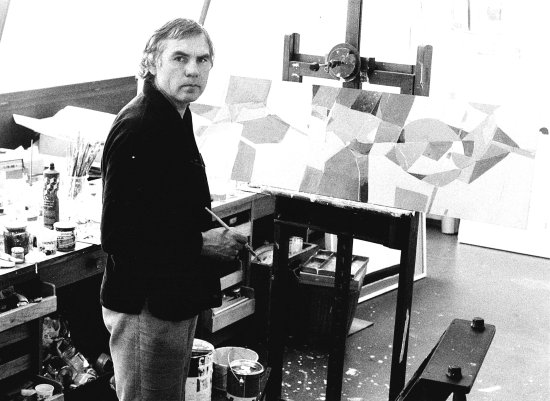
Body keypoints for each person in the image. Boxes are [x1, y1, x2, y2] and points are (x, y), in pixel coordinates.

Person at [100, 18, 247, 401]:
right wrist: (202, 243)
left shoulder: (175, 115)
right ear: (152, 62)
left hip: (172, 297)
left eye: (202, 59)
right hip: (146, 305)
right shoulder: (140, 127)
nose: (193, 70)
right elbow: (117, 236)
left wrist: (207, 234)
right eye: (180, 58)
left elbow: (164, 211)